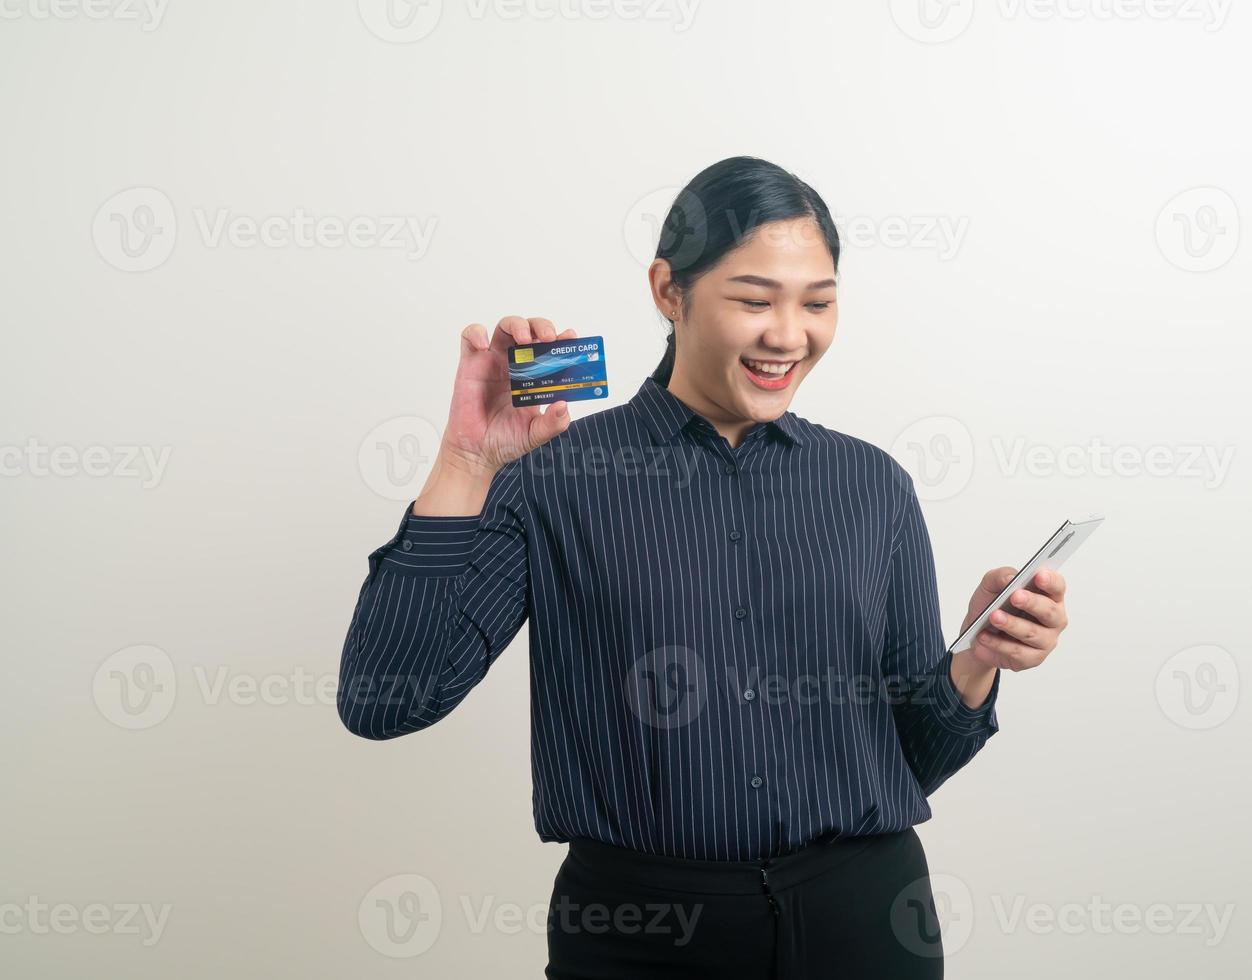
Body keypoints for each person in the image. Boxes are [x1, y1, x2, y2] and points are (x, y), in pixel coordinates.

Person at [336, 156, 1072, 978]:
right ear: (668, 291)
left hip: (867, 926)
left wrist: (977, 661)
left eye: (818, 303)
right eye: (755, 300)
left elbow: (911, 758)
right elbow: (383, 700)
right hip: (640, 938)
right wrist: (468, 463)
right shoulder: (557, 478)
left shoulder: (872, 486)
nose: (789, 335)